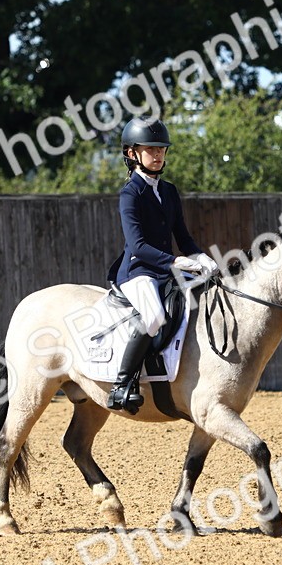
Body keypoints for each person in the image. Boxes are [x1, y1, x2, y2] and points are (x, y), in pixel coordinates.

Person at [105, 117, 218, 414]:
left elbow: (183, 236)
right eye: (150, 149)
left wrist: (202, 258)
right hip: (138, 270)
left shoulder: (168, 191)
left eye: (161, 149)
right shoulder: (130, 193)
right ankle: (122, 384)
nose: (157, 154)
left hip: (167, 271)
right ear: (132, 153)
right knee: (154, 315)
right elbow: (138, 246)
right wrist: (176, 261)